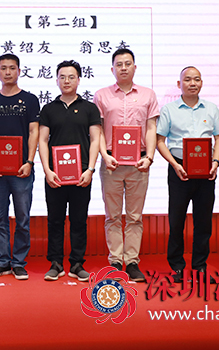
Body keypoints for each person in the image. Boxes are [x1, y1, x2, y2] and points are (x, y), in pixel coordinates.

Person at [156, 66, 219, 283]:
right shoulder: (169, 109)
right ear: (179, 84)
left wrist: (215, 161)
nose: (192, 83)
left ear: (202, 83)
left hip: (206, 170)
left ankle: (200, 266)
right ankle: (177, 267)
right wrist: (174, 165)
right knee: (176, 220)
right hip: (179, 168)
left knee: (203, 222)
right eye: (187, 80)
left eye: (196, 79)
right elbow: (160, 141)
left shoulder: (211, 109)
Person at [94, 49, 159, 282]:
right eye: (119, 64)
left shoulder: (148, 95)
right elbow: (98, 130)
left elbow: (151, 128)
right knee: (112, 215)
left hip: (139, 162)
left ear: (135, 67)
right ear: (112, 69)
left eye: (127, 63)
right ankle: (114, 261)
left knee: (134, 216)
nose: (123, 68)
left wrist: (149, 157)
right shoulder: (101, 95)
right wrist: (104, 155)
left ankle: (131, 262)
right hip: (111, 162)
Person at [38, 60, 101, 282]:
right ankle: (56, 263)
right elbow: (42, 140)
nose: (66, 81)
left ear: (79, 80)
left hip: (81, 174)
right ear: (56, 80)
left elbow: (95, 140)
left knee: (78, 220)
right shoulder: (48, 109)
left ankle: (76, 264)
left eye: (71, 77)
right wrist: (47, 170)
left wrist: (90, 169)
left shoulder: (89, 108)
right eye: (62, 77)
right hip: (55, 175)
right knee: (55, 220)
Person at [0, 54, 40, 280]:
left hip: (22, 170)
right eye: (3, 68)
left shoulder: (30, 100)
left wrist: (29, 161)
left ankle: (18, 263)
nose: (7, 72)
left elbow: (34, 132)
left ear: (19, 71)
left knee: (22, 219)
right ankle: (2, 261)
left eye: (12, 68)